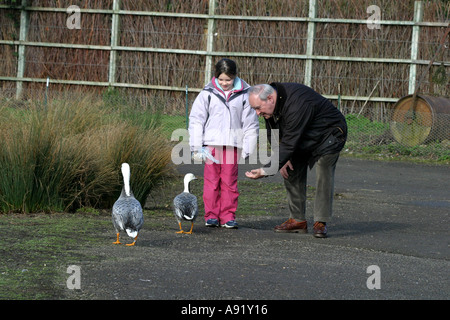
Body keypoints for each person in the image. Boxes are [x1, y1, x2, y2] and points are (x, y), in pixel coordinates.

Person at [245, 83, 347, 238]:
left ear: (270, 98)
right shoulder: (272, 106)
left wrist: (266, 170)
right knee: (289, 168)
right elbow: (273, 132)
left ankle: (321, 221)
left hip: (329, 135)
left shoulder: (297, 103)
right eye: (255, 109)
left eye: (258, 108)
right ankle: (297, 220)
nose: (258, 113)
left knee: (324, 173)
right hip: (302, 136)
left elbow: (290, 141)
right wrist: (280, 158)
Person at [189, 58, 259, 229]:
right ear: (216, 77)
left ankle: (228, 216)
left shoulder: (245, 94)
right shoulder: (207, 93)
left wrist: (248, 148)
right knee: (211, 181)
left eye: (228, 79)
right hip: (210, 145)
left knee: (229, 182)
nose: (224, 83)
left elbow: (250, 123)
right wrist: (196, 146)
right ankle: (211, 215)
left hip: (232, 145)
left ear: (235, 76)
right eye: (221, 79)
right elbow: (196, 120)